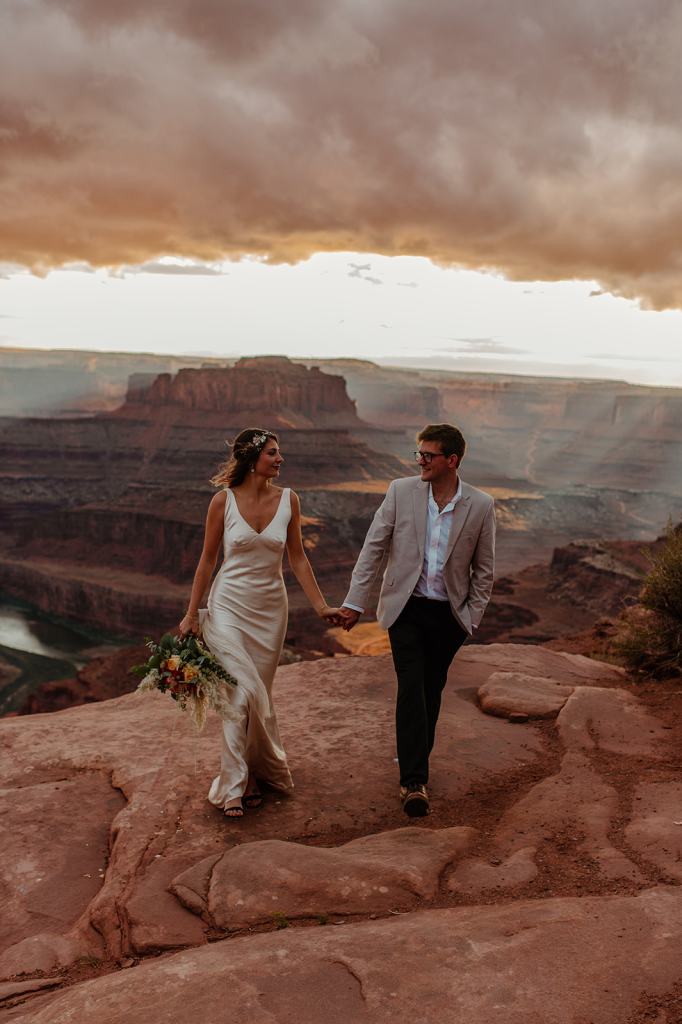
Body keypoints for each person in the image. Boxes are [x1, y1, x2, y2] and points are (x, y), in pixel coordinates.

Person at [179, 427, 341, 819]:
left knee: (258, 695)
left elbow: (298, 558)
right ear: (253, 460)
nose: (280, 459)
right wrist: (190, 613)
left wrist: (320, 607)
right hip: (228, 606)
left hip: (270, 610)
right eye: (273, 453)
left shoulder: (289, 500)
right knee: (241, 691)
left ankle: (252, 774)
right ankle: (234, 786)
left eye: (279, 452)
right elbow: (207, 560)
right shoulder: (223, 502)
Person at [339, 423, 495, 818]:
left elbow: (485, 570)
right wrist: (356, 603)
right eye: (419, 454)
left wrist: (470, 619)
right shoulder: (401, 491)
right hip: (405, 609)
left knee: (431, 690)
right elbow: (373, 548)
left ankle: (415, 766)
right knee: (411, 687)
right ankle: (413, 782)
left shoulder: (480, 504)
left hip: (448, 615)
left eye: (428, 455)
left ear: (452, 461)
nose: (420, 461)